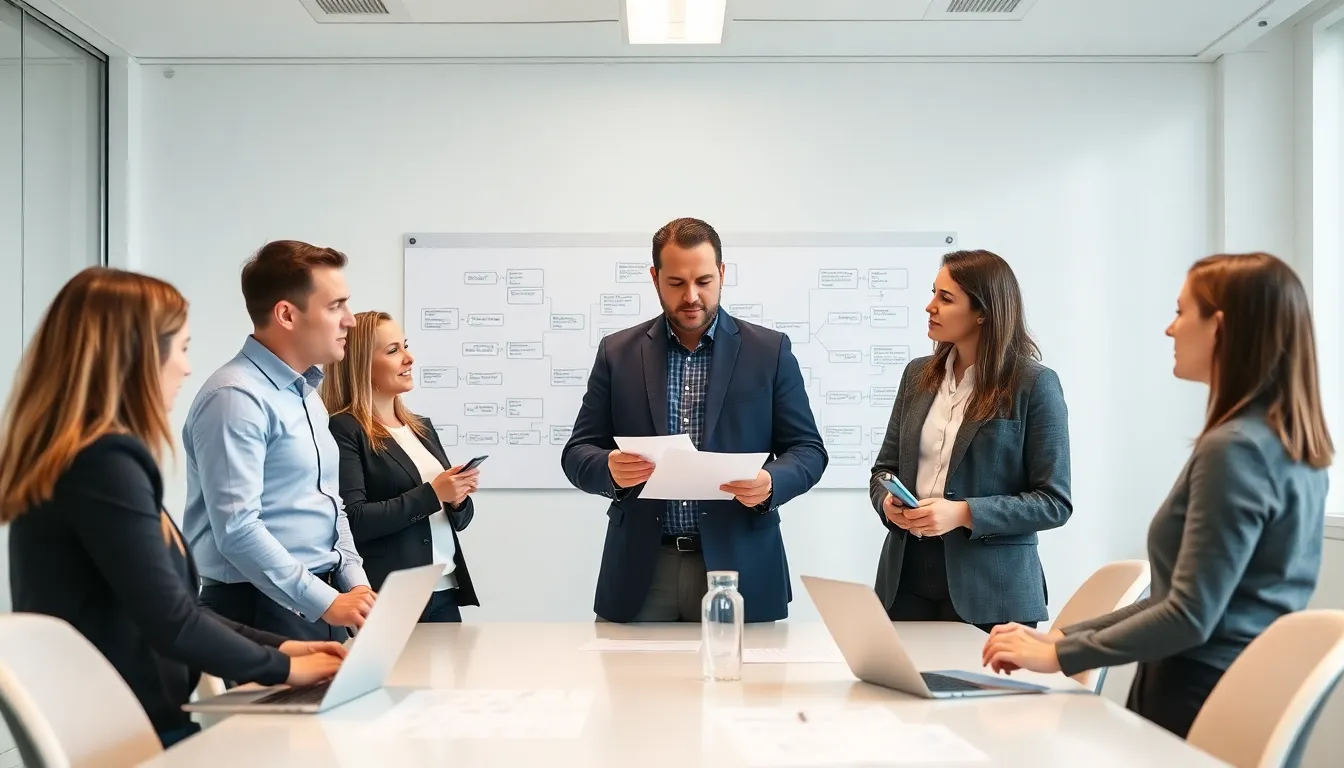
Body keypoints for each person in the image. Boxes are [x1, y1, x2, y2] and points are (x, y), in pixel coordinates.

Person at [983, 252, 1332, 739]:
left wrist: (1059, 655)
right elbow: (1179, 597)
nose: (1170, 329)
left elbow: (1188, 614)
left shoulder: (1235, 450)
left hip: (1193, 699)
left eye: (1181, 311)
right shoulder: (1289, 446)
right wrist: (1063, 637)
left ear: (1220, 327)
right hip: (1232, 691)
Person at [0, 268, 346, 748]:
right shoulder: (103, 462)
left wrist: (283, 646)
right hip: (129, 735)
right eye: (181, 348)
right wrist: (286, 667)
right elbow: (172, 622)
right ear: (137, 355)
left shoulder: (87, 458)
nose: (186, 367)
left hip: (132, 723)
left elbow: (175, 608)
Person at [562, 217, 828, 623]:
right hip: (641, 569)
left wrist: (773, 483)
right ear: (654, 278)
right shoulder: (617, 353)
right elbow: (577, 452)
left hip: (741, 565)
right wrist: (609, 469)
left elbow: (808, 450)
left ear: (722, 273)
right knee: (632, 687)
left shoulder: (769, 351)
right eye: (676, 283)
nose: (691, 296)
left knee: (744, 687)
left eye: (704, 281)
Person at [868, 249, 1071, 632]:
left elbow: (1054, 502)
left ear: (983, 312)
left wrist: (962, 513)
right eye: (934, 293)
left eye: (945, 298)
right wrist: (888, 502)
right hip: (906, 576)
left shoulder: (1035, 385)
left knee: (985, 693)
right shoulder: (917, 376)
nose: (930, 306)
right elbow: (884, 469)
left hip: (992, 588)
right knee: (900, 691)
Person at [182, 240, 374, 643]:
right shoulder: (235, 396)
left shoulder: (305, 393)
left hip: (316, 599)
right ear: (287, 314)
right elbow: (237, 529)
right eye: (335, 306)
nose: (351, 321)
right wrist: (324, 601)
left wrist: (354, 583)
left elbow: (329, 502)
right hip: (258, 607)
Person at [322, 311, 481, 623]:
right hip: (390, 596)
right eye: (393, 350)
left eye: (405, 346)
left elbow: (455, 519)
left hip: (444, 589)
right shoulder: (343, 429)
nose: (409, 358)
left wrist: (458, 498)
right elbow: (352, 520)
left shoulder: (421, 427)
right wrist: (433, 494)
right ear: (360, 364)